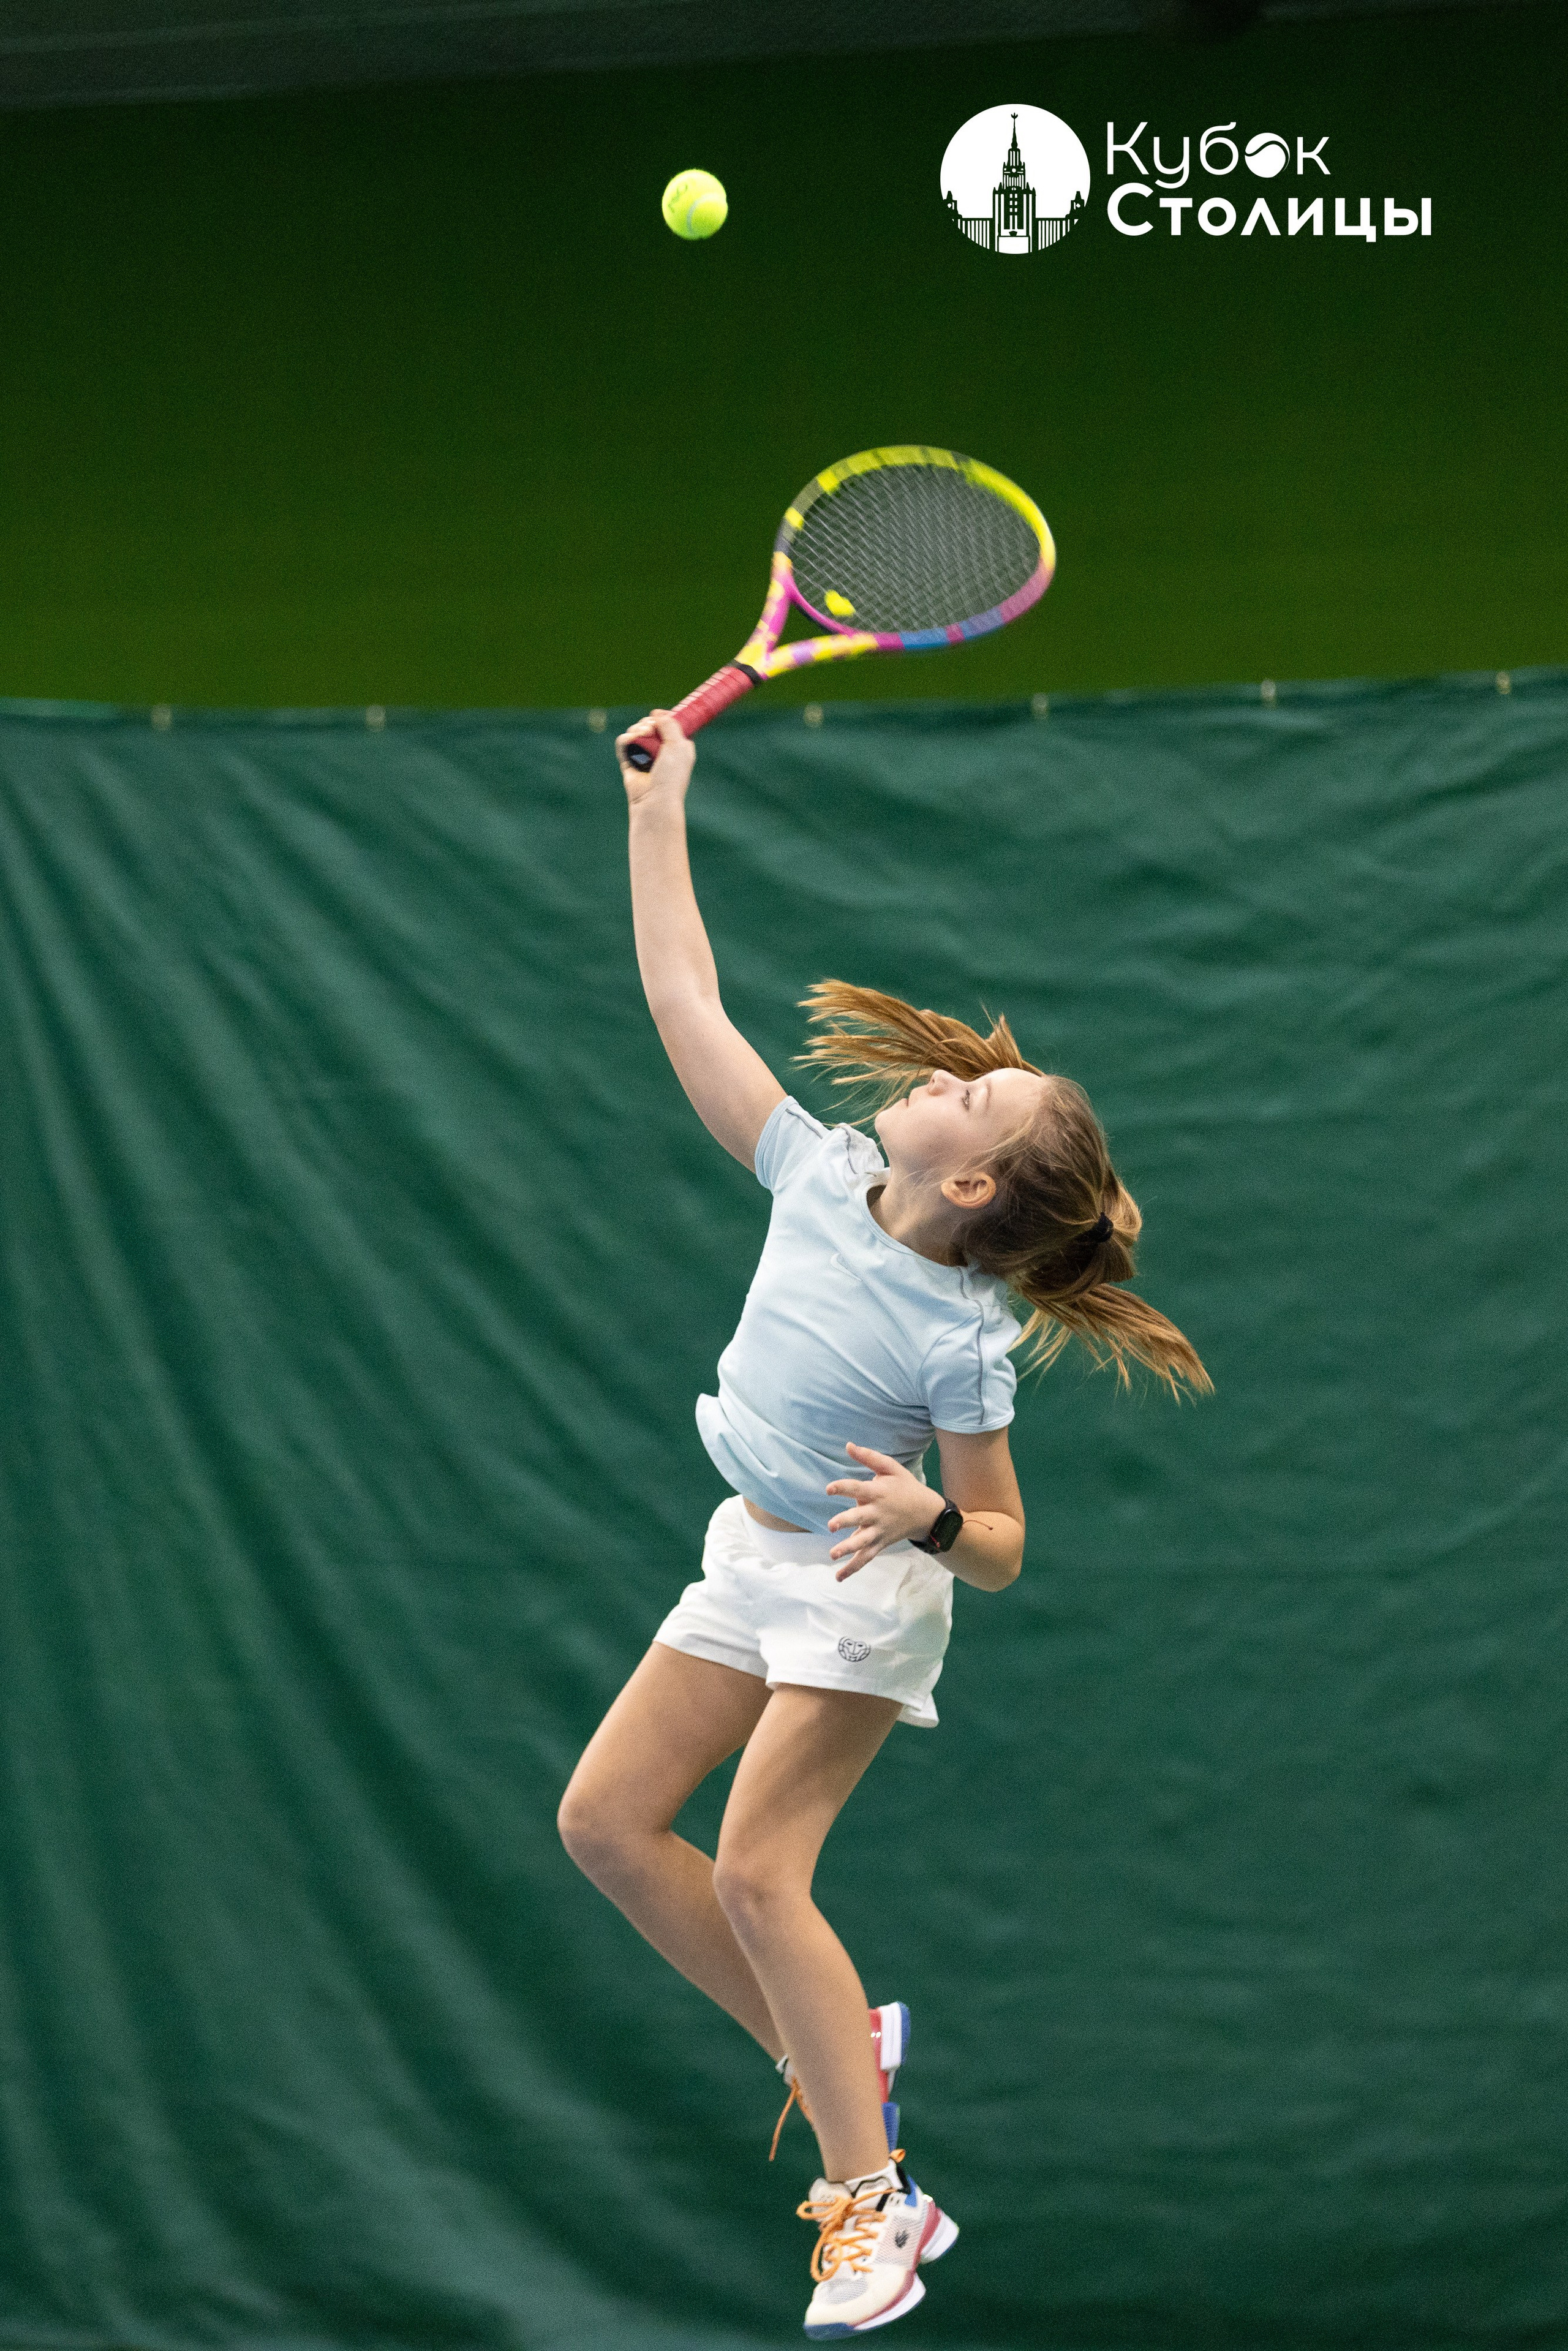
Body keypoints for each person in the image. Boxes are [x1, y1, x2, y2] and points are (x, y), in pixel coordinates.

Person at [557, 711, 1210, 2338]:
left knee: (768, 1880)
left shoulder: (960, 1337)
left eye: (978, 1093)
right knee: (608, 1827)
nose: (947, 1071)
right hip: (754, 1549)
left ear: (975, 1185)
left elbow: (1001, 1544)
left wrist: (932, 1514)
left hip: (866, 1588)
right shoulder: (815, 1172)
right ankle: (839, 2057)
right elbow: (682, 999)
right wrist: (660, 811)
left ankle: (876, 2207)